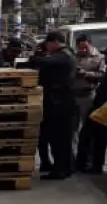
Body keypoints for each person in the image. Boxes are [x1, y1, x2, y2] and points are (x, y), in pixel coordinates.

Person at [28, 32, 78, 180]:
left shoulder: (64, 55)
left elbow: (46, 62)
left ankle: (61, 169)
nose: (47, 47)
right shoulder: (63, 54)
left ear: (55, 42)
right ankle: (64, 167)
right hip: (59, 101)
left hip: (61, 103)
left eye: (48, 44)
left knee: (59, 138)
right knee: (60, 138)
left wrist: (35, 58)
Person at [75, 43, 107, 174]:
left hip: (105, 108)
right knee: (89, 135)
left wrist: (105, 108)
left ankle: (96, 165)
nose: (105, 58)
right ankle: (86, 163)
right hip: (100, 106)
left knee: (100, 138)